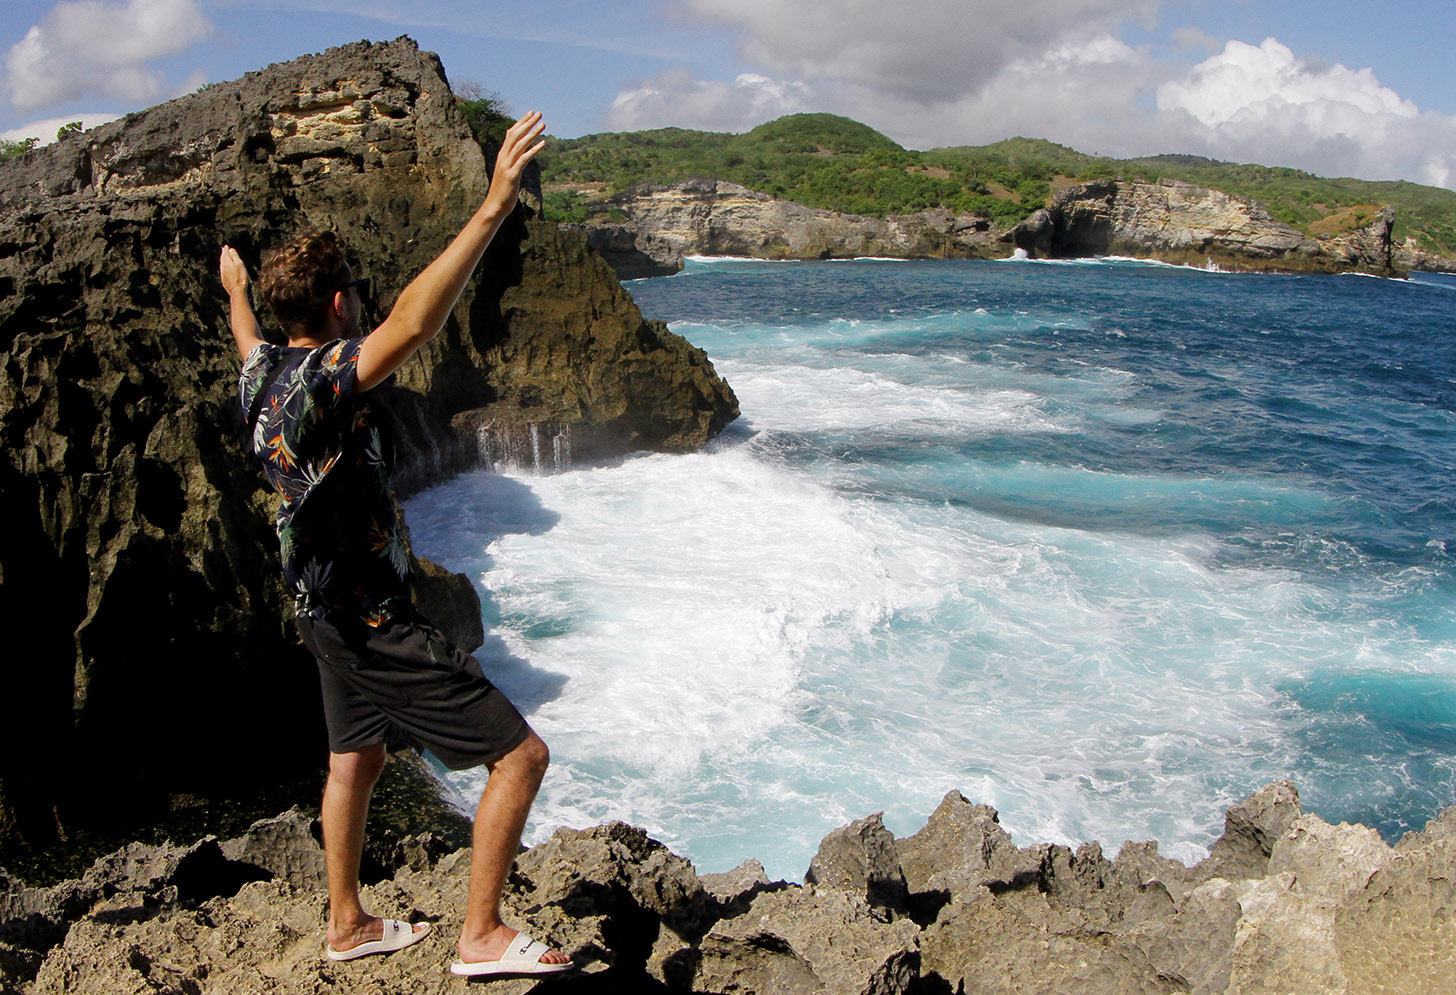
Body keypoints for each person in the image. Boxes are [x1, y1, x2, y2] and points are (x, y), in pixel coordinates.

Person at [218, 111, 570, 978]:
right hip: (372, 620)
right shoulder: (325, 382)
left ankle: (346, 922)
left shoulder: (261, 377)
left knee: (355, 756)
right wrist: (492, 207)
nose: (365, 310)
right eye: (356, 299)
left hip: (318, 613)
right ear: (339, 307)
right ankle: (480, 936)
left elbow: (244, 333)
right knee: (522, 755)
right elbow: (413, 324)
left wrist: (234, 288)